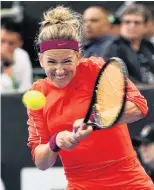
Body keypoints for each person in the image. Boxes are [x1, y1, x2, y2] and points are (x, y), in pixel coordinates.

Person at [27, 6, 154, 190]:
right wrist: (56, 142)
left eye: (67, 61)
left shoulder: (97, 68)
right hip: (80, 184)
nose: (60, 70)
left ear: (78, 56)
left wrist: (96, 119)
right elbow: (41, 162)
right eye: (52, 62)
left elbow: (139, 107)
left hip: (129, 181)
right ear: (40, 60)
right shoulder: (38, 92)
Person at [102, 4, 154, 86]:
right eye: (127, 22)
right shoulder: (113, 47)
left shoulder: (149, 46)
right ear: (121, 25)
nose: (131, 26)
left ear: (145, 26)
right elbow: (115, 80)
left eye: (137, 22)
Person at [1, 21, 33, 93]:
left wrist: (8, 64)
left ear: (19, 44)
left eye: (11, 43)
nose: (5, 47)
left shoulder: (22, 56)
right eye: (2, 41)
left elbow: (26, 88)